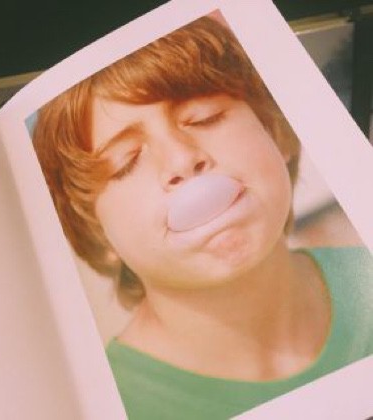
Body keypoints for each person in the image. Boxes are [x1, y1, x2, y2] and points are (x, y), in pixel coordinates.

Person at [32, 16, 373, 420]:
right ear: (97, 232)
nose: (181, 159)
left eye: (205, 118)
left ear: (276, 132)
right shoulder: (107, 405)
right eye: (126, 161)